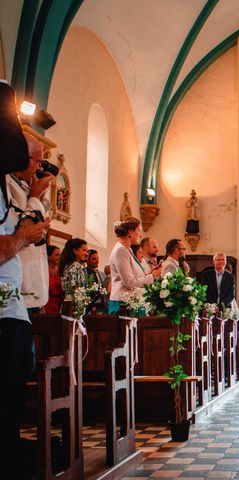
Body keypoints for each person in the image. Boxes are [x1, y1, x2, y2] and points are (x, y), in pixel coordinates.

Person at [0, 80, 50, 476]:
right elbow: (15, 234)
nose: (37, 164)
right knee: (8, 386)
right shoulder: (11, 187)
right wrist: (23, 234)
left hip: (15, 299)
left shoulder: (13, 186)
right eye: (33, 156)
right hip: (8, 302)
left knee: (15, 383)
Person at [7, 132, 54, 315]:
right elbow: (20, 227)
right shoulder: (7, 185)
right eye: (38, 162)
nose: (39, 168)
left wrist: (39, 196)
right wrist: (35, 197)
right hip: (17, 290)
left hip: (33, 291)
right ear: (22, 157)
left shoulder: (25, 185)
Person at [108, 217, 161, 314]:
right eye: (138, 231)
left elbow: (135, 276)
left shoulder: (127, 249)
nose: (140, 235)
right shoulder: (121, 251)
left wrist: (150, 273)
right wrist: (153, 276)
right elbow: (130, 283)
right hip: (123, 303)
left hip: (132, 301)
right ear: (130, 232)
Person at [42, 245, 64, 314]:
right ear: (49, 257)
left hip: (60, 305)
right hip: (46, 303)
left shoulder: (62, 271)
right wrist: (42, 307)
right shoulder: (44, 271)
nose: (59, 257)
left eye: (60, 255)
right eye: (57, 255)